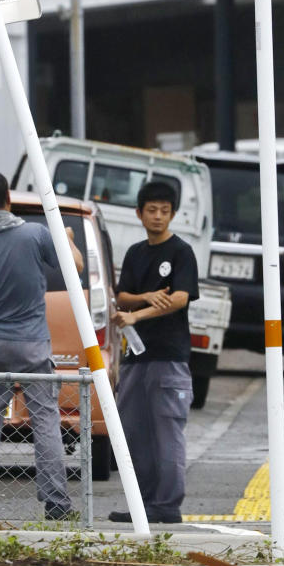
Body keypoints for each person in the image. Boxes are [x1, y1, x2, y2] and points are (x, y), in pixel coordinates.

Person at [0, 170, 82, 521]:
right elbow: (77, 266)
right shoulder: (36, 234)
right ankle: (57, 503)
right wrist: (67, 237)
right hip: (33, 346)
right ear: (9, 197)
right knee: (44, 420)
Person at [108, 180, 200, 525]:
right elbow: (122, 296)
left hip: (169, 356)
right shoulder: (135, 252)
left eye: (164, 211)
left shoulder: (181, 252)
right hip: (136, 356)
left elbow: (179, 298)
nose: (158, 217)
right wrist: (145, 297)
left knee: (168, 431)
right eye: (152, 210)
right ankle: (141, 501)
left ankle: (167, 505)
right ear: (139, 213)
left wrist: (137, 313)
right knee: (134, 431)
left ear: (173, 214)